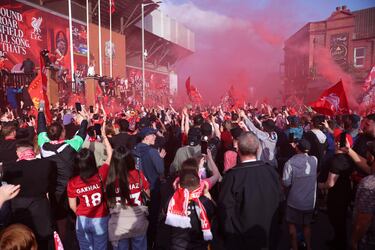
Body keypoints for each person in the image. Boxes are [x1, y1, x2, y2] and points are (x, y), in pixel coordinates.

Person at [37, 102, 88, 248]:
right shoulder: (70, 146)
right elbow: (82, 132)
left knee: (60, 219)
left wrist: (40, 111)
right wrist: (84, 119)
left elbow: (40, 129)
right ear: (62, 134)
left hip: (54, 191)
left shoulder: (43, 145)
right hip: (72, 190)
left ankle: (62, 243)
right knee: (75, 216)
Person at [218, 132, 281, 250]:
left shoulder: (232, 176)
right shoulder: (271, 172)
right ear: (257, 149)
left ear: (238, 150)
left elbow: (225, 210)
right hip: (267, 237)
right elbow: (281, 202)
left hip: (242, 238)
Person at [3, 141, 54, 249]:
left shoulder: (10, 168)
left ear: (18, 152)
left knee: (23, 242)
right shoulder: (46, 163)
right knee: (44, 241)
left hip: (20, 209)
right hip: (42, 208)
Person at [67, 135, 112, 250]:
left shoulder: (73, 182)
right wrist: (104, 137)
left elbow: (72, 206)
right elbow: (110, 156)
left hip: (82, 218)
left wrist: (82, 212)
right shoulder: (101, 174)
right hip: (100, 217)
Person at [106, 146, 150, 250]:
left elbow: (108, 201)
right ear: (130, 159)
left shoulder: (111, 177)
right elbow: (148, 196)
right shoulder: (138, 174)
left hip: (119, 223)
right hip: (137, 219)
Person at [164, 164, 215, 250]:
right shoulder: (205, 202)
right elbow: (215, 214)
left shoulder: (171, 201)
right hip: (199, 246)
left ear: (179, 186)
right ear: (199, 185)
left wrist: (177, 192)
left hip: (177, 246)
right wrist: (206, 193)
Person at [319, 132, 355, 250]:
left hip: (336, 195)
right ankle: (339, 240)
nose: (335, 142)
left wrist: (319, 185)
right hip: (345, 192)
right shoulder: (349, 158)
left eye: (337, 141)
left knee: (336, 220)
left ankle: (340, 243)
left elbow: (330, 183)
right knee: (341, 221)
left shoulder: (336, 161)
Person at [282, 139, 318, 250]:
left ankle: (294, 247)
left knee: (291, 224)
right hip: (309, 201)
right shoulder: (314, 160)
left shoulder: (290, 162)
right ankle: (309, 247)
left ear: (297, 148)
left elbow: (286, 182)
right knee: (306, 225)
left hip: (294, 201)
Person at [134, 127, 166, 248]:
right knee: (152, 219)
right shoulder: (152, 152)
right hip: (152, 189)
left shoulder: (134, 150)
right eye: (152, 135)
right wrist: (161, 158)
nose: (155, 137)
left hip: (137, 190)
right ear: (146, 137)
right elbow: (160, 170)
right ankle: (150, 243)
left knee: (139, 218)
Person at [351, 141, 375, 250]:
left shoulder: (369, 184)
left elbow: (364, 219)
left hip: (367, 241)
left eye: (368, 152)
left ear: (371, 156)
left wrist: (354, 241)